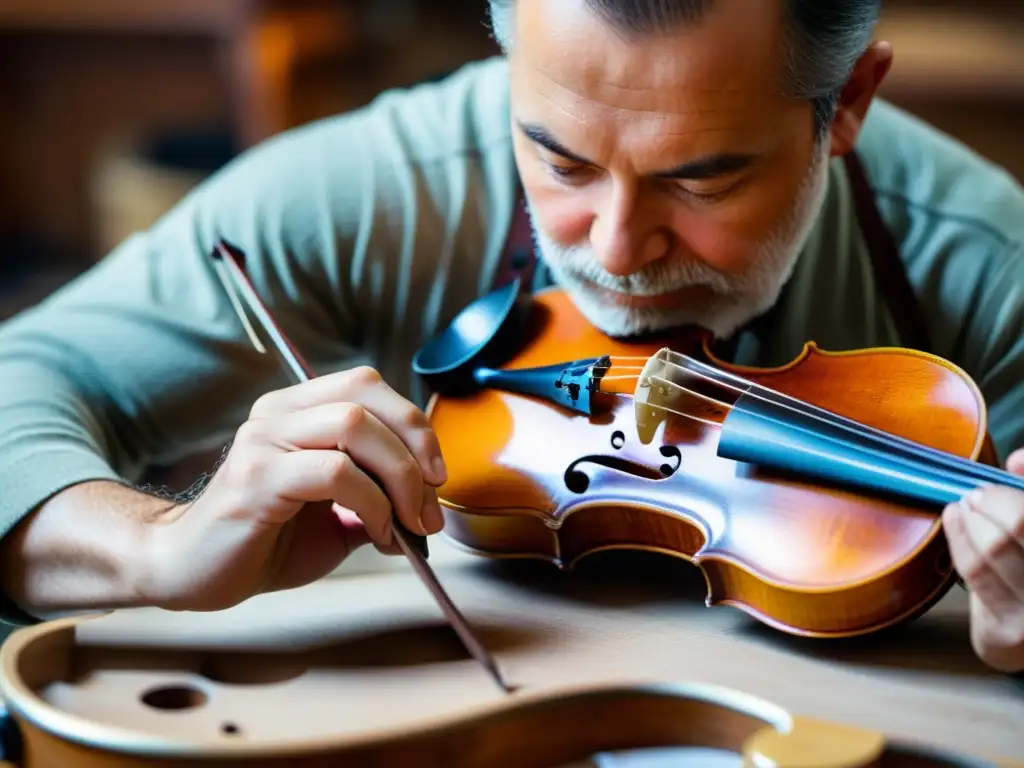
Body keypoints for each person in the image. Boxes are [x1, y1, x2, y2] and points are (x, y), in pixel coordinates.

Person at [0, 0, 1021, 672]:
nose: (617, 249)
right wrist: (155, 547)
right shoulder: (392, 184)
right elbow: (26, 378)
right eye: (560, 163)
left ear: (844, 104)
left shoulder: (986, 260)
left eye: (698, 176)